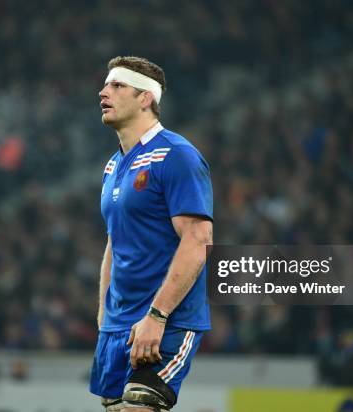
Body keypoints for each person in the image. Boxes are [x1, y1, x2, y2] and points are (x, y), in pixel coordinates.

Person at [89, 56, 214, 411]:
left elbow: (198, 238)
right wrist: (104, 317)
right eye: (105, 84)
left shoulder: (177, 155)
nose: (103, 92)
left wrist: (157, 316)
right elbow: (115, 241)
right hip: (117, 325)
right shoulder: (113, 165)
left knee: (137, 408)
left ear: (145, 98)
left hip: (166, 320)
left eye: (116, 85)